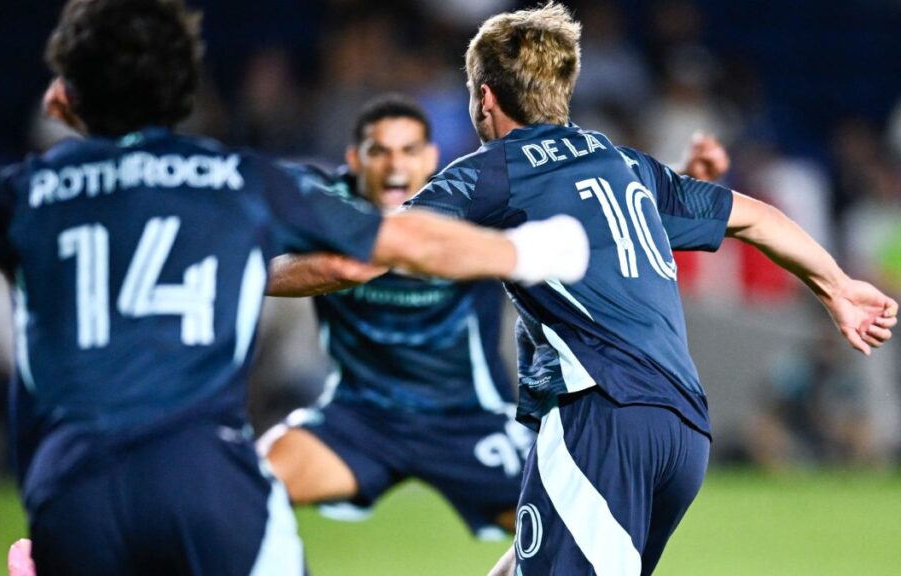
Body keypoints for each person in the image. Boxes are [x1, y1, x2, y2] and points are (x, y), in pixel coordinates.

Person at [0, 1, 593, 574]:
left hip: (71, 487)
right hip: (206, 477)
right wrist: (525, 249)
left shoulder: (22, 191)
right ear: (186, 88)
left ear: (64, 97)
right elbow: (382, 246)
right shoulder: (237, 179)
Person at [398, 4, 896, 575]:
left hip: (602, 411)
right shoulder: (624, 164)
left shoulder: (496, 170)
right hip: (682, 431)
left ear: (485, 98)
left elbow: (372, 245)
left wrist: (271, 269)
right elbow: (755, 217)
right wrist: (836, 288)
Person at [260, 94, 731, 540]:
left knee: (567, 529)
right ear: (355, 159)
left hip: (471, 421)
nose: (395, 165)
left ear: (430, 158)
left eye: (409, 150)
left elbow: (590, 204)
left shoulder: (467, 203)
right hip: (361, 418)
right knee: (245, 491)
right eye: (378, 151)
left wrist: (677, 177)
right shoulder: (328, 211)